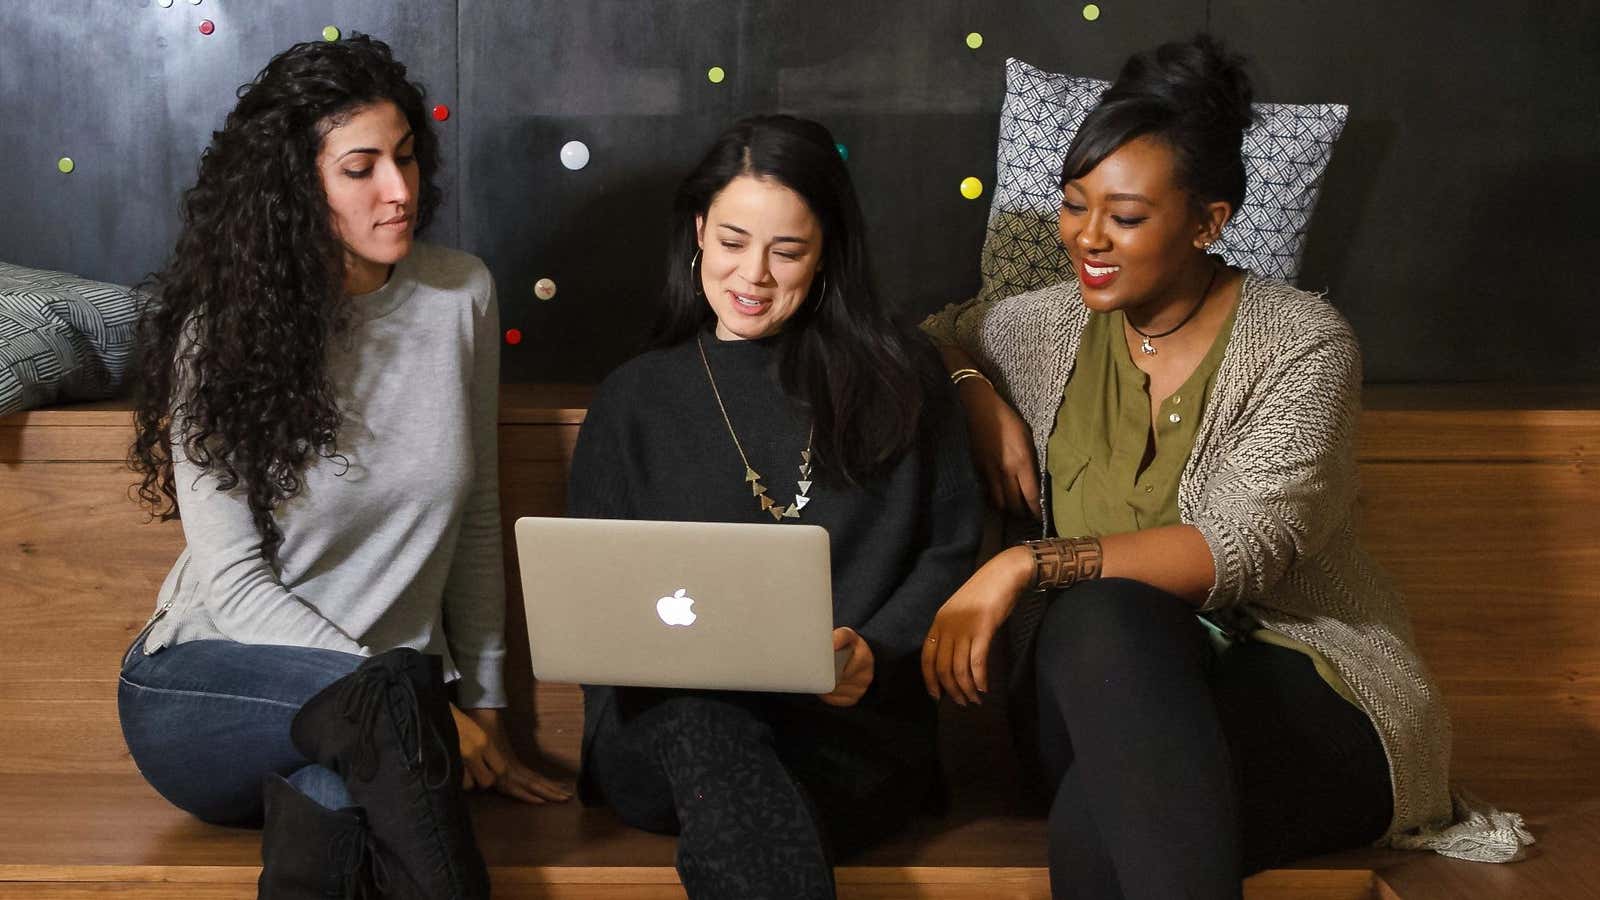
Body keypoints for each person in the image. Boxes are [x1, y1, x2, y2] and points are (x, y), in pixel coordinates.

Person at [919, 34, 1480, 899]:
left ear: (1209, 221)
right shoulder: (1039, 328)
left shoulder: (1302, 342)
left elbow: (1245, 546)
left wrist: (1025, 561)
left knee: (1097, 826)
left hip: (1301, 687)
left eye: (1128, 217)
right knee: (1102, 622)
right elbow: (928, 339)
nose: (1087, 239)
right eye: (1073, 206)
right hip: (1098, 686)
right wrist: (972, 390)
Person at [120, 34, 569, 899]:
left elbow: (475, 517)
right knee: (380, 720)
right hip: (205, 696)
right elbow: (235, 584)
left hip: (376, 729)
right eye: (361, 168)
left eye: (405, 158)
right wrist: (415, 707)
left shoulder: (459, 297)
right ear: (296, 187)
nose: (399, 192)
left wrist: (481, 708)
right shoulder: (221, 333)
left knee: (333, 819)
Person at [566, 114, 982, 899]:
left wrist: (875, 648)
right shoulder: (635, 399)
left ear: (828, 251)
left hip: (847, 738)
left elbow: (950, 549)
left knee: (742, 797)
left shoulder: (903, 375)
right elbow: (592, 601)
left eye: (786, 251)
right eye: (730, 242)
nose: (752, 275)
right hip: (666, 740)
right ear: (697, 233)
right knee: (701, 720)